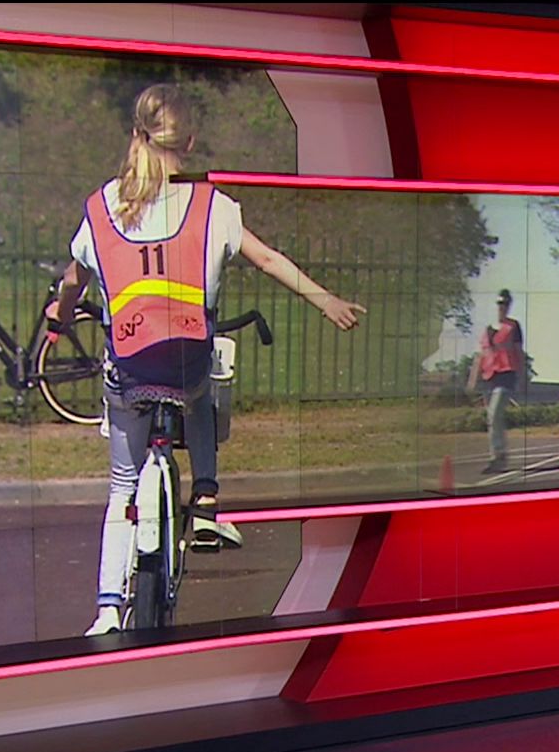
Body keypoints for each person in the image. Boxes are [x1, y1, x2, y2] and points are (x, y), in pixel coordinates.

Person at [44, 84, 365, 637]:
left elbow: (74, 280)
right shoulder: (213, 207)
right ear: (189, 141)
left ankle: (106, 609)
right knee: (203, 380)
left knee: (122, 485)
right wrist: (326, 300)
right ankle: (207, 497)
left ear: (136, 135)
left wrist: (60, 314)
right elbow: (268, 259)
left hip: (130, 368)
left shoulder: (102, 206)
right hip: (187, 363)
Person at [467, 289, 526, 475]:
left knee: (494, 415)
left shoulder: (514, 327)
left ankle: (498, 457)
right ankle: (499, 455)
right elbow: (480, 356)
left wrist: (523, 378)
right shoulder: (488, 330)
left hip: (506, 375)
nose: (503, 307)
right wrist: (472, 381)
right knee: (493, 419)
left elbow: (519, 353)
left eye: (506, 303)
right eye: (500, 303)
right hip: (489, 377)